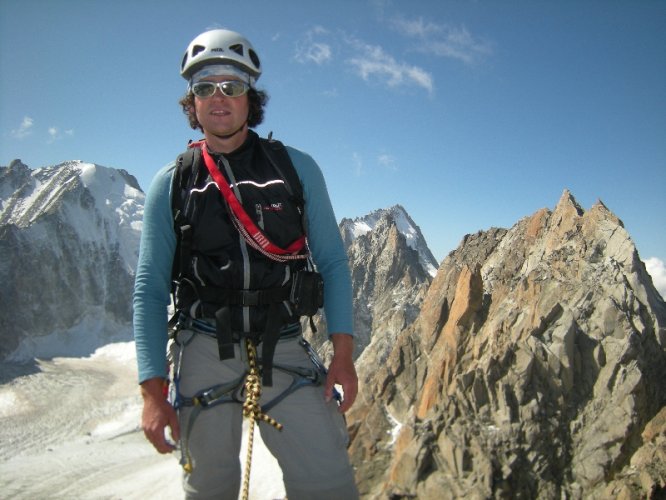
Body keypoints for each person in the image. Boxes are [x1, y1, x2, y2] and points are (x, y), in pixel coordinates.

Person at [133, 28, 359, 499]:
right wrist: (152, 393)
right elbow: (150, 289)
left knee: (329, 482)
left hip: (284, 344)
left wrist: (343, 355)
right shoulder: (171, 184)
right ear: (191, 101)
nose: (218, 97)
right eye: (204, 87)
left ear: (249, 97)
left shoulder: (296, 169)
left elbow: (334, 262)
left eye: (231, 86)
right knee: (209, 487)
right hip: (203, 347)